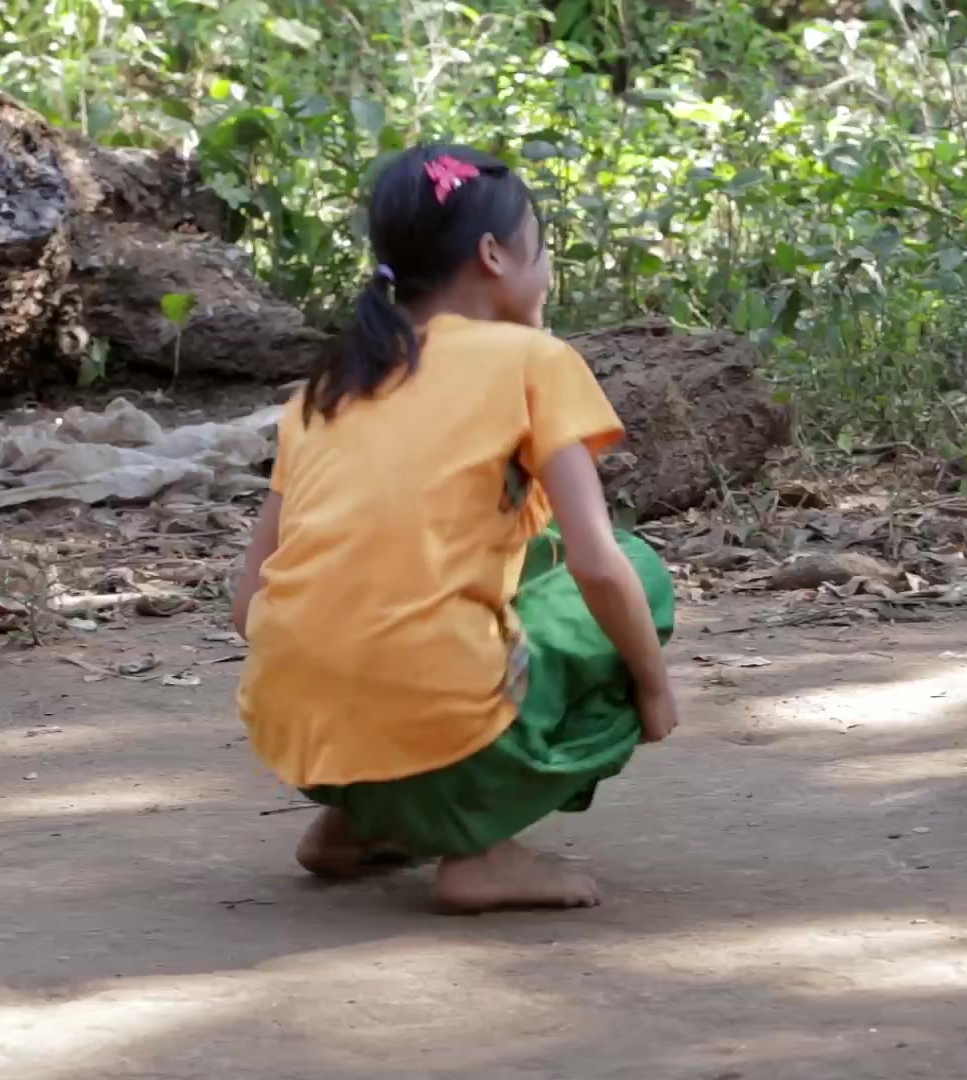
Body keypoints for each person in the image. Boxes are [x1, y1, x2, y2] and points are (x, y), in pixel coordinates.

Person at [232, 146, 680, 912]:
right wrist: (656, 689)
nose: (546, 269)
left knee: (497, 574)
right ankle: (481, 853)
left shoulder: (331, 379)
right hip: (437, 713)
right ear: (494, 255)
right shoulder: (533, 359)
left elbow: (248, 602)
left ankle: (357, 821)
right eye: (541, 248)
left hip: (294, 726)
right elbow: (598, 567)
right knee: (641, 574)